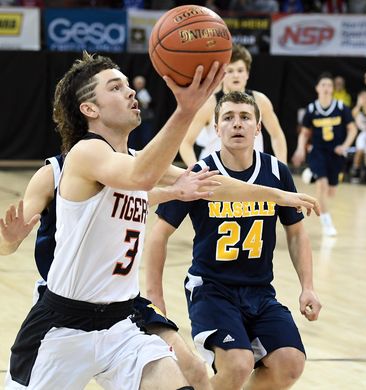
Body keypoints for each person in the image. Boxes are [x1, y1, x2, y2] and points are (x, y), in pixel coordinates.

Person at [3, 53, 319, 389]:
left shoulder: (133, 161)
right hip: (65, 322)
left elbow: (209, 183)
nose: (129, 92)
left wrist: (279, 195)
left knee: (188, 376)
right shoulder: (85, 153)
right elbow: (141, 177)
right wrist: (185, 112)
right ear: (90, 109)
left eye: (127, 84)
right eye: (115, 87)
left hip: (121, 320)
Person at [146, 92, 322, 390]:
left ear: (258, 128)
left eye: (244, 117)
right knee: (237, 363)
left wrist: (308, 287)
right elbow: (158, 235)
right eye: (228, 118)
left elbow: (296, 232)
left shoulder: (276, 172)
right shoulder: (201, 174)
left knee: (291, 363)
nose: (236, 124)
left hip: (259, 290)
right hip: (211, 289)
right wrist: (154, 296)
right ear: (216, 129)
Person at [0, 153, 220, 390]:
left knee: (193, 369)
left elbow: (135, 197)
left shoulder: (134, 162)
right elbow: (6, 245)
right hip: (68, 304)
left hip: (123, 305)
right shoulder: (53, 173)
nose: (137, 112)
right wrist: (8, 241)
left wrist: (175, 192)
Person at [179, 44, 287, 166]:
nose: (236, 75)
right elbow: (185, 143)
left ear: (247, 74)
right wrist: (197, 172)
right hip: (217, 175)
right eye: (230, 71)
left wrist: (282, 170)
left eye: (240, 70)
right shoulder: (209, 104)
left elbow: (277, 135)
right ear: (222, 75)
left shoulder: (260, 100)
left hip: (251, 172)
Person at [292, 72, 357, 236]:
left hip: (336, 153)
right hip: (318, 151)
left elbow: (353, 129)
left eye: (329, 85)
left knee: (331, 192)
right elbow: (305, 133)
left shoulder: (341, 108)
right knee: (322, 184)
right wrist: (300, 148)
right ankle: (327, 222)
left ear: (333, 89)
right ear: (317, 88)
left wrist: (345, 146)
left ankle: (311, 175)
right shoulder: (312, 108)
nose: (326, 88)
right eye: (323, 85)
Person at [128, 75, 155, 150]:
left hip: (145, 118)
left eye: (140, 83)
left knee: (146, 137)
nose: (139, 85)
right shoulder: (130, 93)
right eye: (137, 83)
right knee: (132, 138)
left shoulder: (145, 92)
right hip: (133, 119)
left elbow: (146, 105)